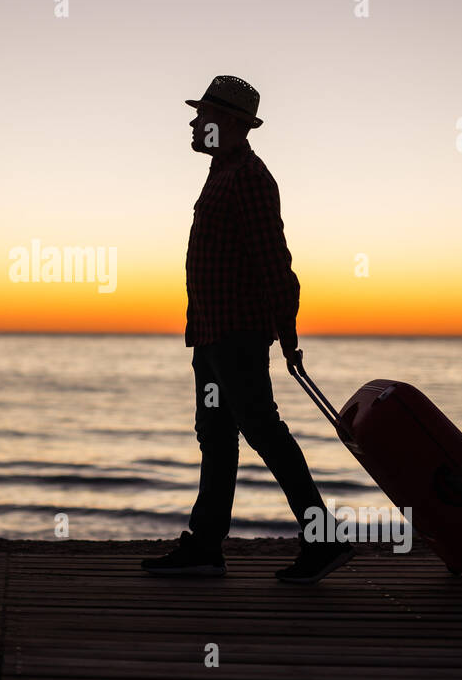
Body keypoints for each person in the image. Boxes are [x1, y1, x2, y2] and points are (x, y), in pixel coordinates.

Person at [141, 75, 354, 585]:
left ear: (231, 124)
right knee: (217, 437)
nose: (194, 123)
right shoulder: (221, 172)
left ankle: (322, 538)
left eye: (204, 116)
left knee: (262, 431)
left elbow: (275, 263)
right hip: (212, 334)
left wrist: (287, 335)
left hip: (237, 334)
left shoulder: (251, 179)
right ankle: (206, 548)